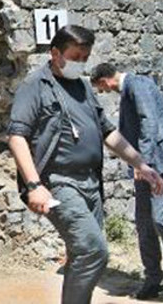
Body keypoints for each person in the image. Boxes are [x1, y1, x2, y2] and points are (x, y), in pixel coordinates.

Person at [8, 25, 163, 304]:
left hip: (91, 183)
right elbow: (17, 137)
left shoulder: (82, 87)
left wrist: (140, 162)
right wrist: (34, 185)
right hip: (59, 183)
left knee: (81, 255)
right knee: (93, 251)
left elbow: (108, 132)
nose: (81, 63)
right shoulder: (35, 86)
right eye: (75, 56)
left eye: (85, 57)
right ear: (55, 53)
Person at [91, 62, 163, 300]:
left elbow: (149, 122)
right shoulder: (133, 87)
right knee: (145, 223)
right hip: (149, 167)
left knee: (158, 220)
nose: (103, 92)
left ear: (104, 81)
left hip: (154, 167)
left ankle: (153, 279)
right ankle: (153, 279)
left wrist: (144, 164)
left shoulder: (136, 85)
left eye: (101, 89)